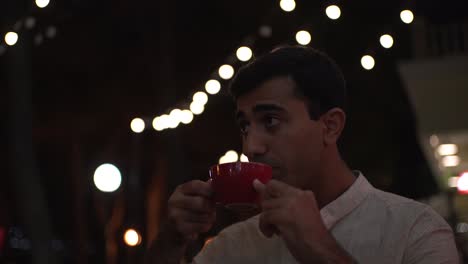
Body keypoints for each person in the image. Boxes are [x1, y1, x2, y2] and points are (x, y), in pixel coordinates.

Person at [146, 46, 459, 263]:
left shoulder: (414, 229)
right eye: (245, 127)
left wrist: (319, 248)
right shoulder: (232, 245)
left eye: (270, 120)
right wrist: (168, 244)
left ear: (330, 126)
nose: (251, 146)